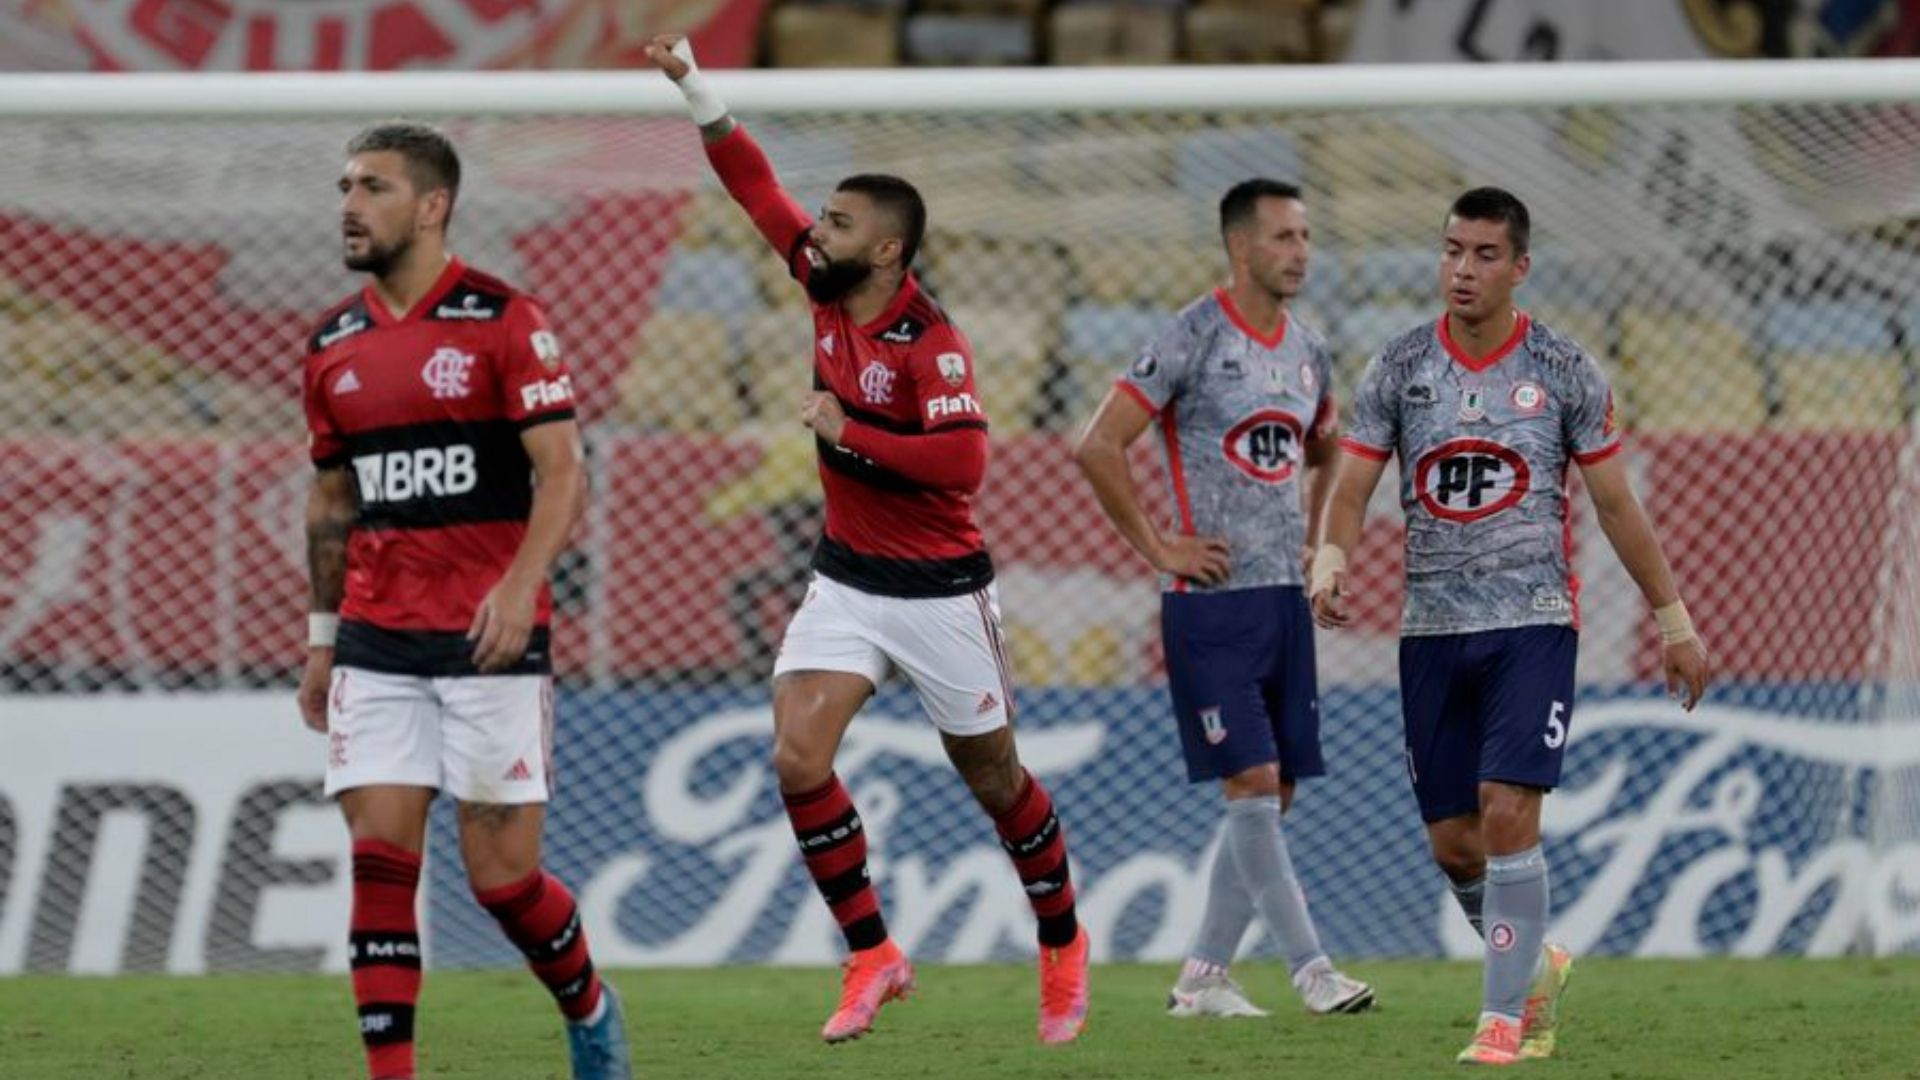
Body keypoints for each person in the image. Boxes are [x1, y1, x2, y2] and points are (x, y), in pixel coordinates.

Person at [644, 35, 1090, 1045]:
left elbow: (965, 465)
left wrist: (855, 433)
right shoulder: (820, 279)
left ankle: (1062, 940)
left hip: (939, 590)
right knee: (798, 760)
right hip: (846, 580)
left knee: (996, 781)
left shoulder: (932, 344)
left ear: (886, 250)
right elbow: (754, 189)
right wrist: (694, 85)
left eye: (839, 222)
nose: (817, 230)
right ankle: (874, 954)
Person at [1312, 187, 1712, 1065]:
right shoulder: (1400, 366)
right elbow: (1351, 487)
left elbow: (1615, 504)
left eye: (1484, 254)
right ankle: (1534, 963)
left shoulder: (1565, 369)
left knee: (1506, 809)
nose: (1462, 269)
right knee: (1453, 842)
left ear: (1520, 266)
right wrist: (1332, 556)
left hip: (1532, 622)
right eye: (1452, 250)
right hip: (1430, 630)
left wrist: (1674, 622)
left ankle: (1504, 1023)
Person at [295, 122, 630, 1080]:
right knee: (381, 861)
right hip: (376, 642)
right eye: (345, 185)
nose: (350, 204)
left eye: (374, 187)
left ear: (433, 205)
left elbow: (563, 471)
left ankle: (591, 1007)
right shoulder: (332, 346)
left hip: (488, 643)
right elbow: (331, 502)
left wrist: (521, 588)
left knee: (503, 882)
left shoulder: (504, 320)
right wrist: (323, 640)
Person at [1072, 179, 1375, 1020]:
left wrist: (1319, 547)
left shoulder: (1310, 349)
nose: (1301, 252)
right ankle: (1312, 969)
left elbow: (1323, 452)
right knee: (1253, 779)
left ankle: (1203, 976)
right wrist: (1158, 544)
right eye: (1284, 237)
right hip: (1210, 605)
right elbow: (1099, 446)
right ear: (1242, 248)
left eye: (1307, 235)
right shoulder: (1191, 336)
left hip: (1283, 600)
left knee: (1271, 798)